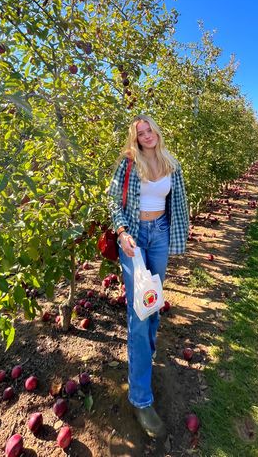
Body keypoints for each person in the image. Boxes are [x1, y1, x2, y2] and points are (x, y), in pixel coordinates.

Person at [107, 114, 189, 438]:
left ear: (157, 130)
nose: (146, 135)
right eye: (140, 133)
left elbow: (178, 203)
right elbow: (113, 199)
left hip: (160, 234)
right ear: (136, 138)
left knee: (153, 302)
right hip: (134, 238)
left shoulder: (171, 163)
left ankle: (146, 353)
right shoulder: (128, 163)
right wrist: (122, 231)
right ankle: (141, 398)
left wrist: (176, 235)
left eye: (149, 129)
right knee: (139, 314)